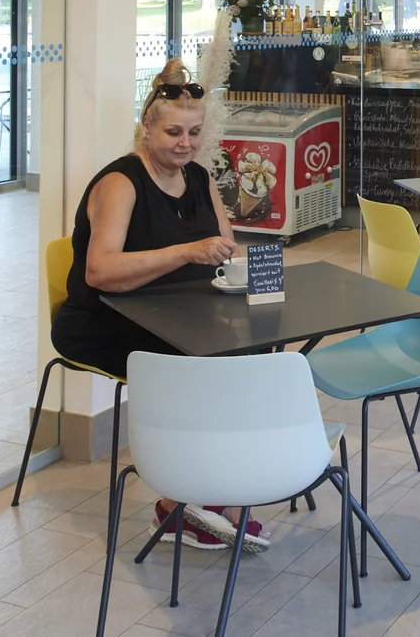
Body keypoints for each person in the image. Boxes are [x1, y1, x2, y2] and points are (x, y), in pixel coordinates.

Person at [49, 59, 266, 553]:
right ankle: (189, 501)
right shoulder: (121, 183)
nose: (185, 143)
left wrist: (220, 255)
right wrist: (186, 252)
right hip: (105, 320)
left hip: (176, 315)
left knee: (248, 356)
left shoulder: (199, 178)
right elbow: (100, 272)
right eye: (173, 132)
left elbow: (222, 245)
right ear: (146, 128)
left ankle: (210, 494)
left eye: (194, 132)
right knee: (200, 369)